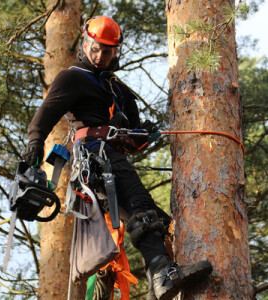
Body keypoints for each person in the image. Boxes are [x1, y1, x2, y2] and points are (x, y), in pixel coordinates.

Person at [22, 16, 212, 300]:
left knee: (158, 222)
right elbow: (45, 114)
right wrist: (35, 144)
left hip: (109, 156)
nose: (99, 56)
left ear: (116, 51)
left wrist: (143, 133)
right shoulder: (72, 77)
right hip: (94, 155)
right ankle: (162, 276)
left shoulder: (117, 89)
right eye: (95, 48)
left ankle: (159, 283)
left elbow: (133, 138)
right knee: (142, 208)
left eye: (107, 52)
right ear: (85, 43)